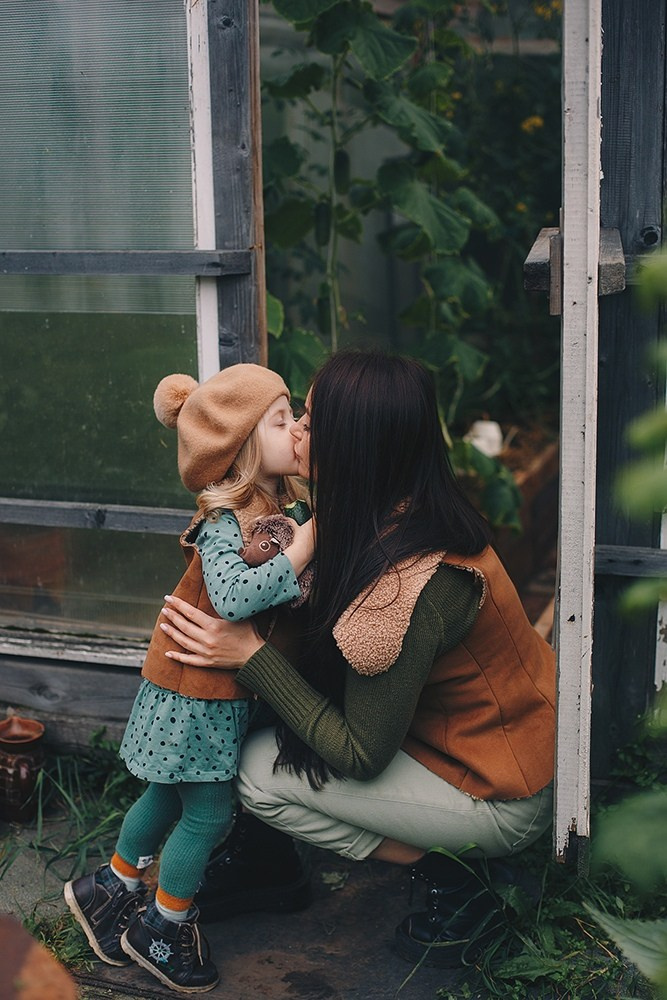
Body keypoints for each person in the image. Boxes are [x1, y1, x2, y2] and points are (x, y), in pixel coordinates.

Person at [157, 351, 557, 968]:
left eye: (310, 420)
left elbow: (361, 755)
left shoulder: (405, 586)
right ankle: (268, 863)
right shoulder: (402, 512)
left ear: (353, 446)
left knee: (257, 772)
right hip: (488, 736)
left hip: (500, 789)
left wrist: (250, 655)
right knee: (275, 723)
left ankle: (458, 879)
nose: (295, 430)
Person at [64, 364, 315, 994]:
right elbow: (233, 598)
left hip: (209, 690)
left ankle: (109, 888)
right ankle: (163, 926)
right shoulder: (223, 520)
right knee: (206, 814)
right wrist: (311, 541)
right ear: (241, 445)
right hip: (194, 695)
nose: (296, 429)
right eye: (280, 420)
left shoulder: (280, 508)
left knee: (166, 796)